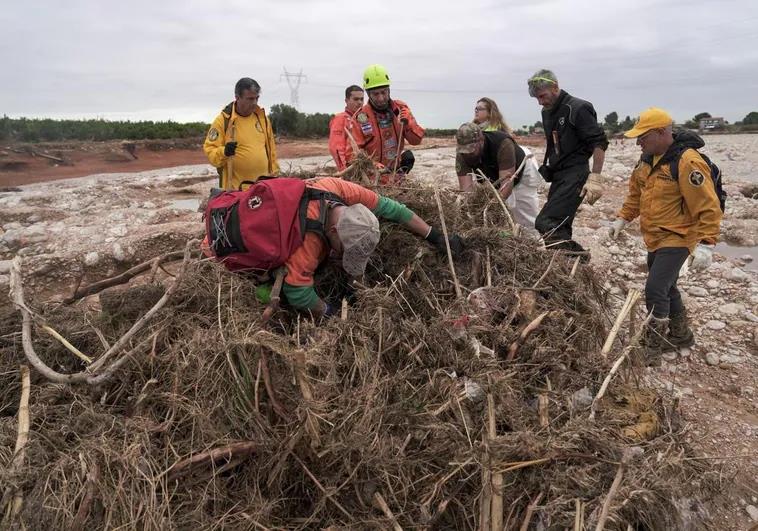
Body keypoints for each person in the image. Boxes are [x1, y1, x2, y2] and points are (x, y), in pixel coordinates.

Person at [609, 108, 722, 365]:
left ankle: (653, 347)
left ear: (662, 132)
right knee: (668, 287)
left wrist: (706, 244)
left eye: (643, 137)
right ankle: (682, 338)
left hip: (679, 237)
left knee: (655, 288)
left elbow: (707, 205)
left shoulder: (687, 162)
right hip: (655, 237)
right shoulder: (646, 161)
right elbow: (635, 196)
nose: (638, 142)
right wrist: (623, 218)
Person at [276, 177, 463, 317]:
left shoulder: (338, 189)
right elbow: (297, 292)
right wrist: (329, 312)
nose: (343, 255)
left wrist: (434, 235)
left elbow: (394, 210)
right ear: (333, 231)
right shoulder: (308, 238)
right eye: (344, 251)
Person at [527, 69, 608, 258]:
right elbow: (553, 142)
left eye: (543, 96)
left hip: (576, 174)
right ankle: (565, 267)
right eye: (537, 98)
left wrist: (595, 177)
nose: (540, 101)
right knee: (560, 226)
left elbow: (599, 143)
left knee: (545, 222)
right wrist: (548, 166)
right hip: (559, 174)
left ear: (555, 87)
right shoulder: (547, 112)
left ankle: (580, 258)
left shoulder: (578, 108)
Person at [345, 64, 425, 184]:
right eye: (376, 94)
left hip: (396, 176)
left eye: (384, 92)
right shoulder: (360, 118)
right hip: (372, 180)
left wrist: (409, 124)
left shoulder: (400, 108)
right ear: (368, 94)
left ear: (389, 90)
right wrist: (373, 165)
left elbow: (416, 141)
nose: (381, 98)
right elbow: (352, 154)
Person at [455, 123, 540, 231]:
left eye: (471, 150)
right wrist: (475, 213)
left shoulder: (503, 144)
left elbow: (507, 185)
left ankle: (536, 244)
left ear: (481, 140)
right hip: (493, 176)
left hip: (520, 170)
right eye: (464, 151)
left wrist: (490, 208)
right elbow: (466, 191)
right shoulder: (462, 153)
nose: (467, 154)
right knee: (499, 222)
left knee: (525, 217)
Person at [204, 78, 279, 190]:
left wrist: (275, 175)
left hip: (263, 189)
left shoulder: (262, 119)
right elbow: (210, 152)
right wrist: (224, 152)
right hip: (236, 191)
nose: (254, 103)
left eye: (256, 98)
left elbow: (271, 150)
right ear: (237, 97)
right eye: (250, 99)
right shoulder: (223, 121)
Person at [329, 85, 365, 171]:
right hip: (351, 167)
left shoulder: (363, 119)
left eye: (362, 99)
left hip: (364, 165)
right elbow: (336, 148)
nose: (360, 102)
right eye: (356, 99)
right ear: (346, 100)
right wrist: (344, 170)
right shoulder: (340, 119)